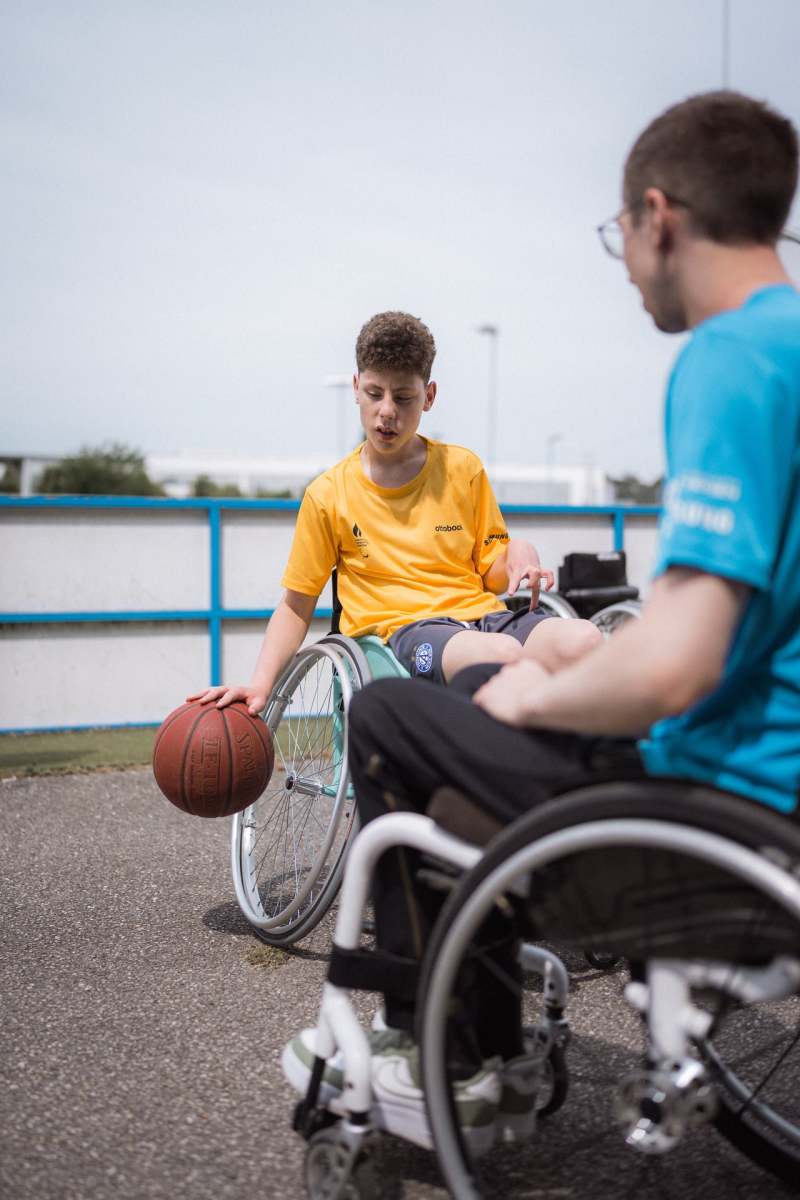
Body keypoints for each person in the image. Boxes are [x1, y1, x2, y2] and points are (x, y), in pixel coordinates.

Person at [282, 90, 800, 1150]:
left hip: (719, 812)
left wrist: (532, 696)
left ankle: (455, 1056)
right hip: (777, 795)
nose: (626, 265)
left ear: (657, 217)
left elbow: (676, 664)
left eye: (619, 234)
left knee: (390, 716)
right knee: (500, 688)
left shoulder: (732, 359)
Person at [190, 310, 600, 711]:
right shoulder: (328, 494)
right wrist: (261, 685)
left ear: (429, 396)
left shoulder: (463, 468)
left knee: (586, 641)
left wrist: (520, 554)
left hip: (483, 618)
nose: (387, 411)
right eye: (374, 394)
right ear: (356, 387)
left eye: (403, 398)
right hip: (406, 633)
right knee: (501, 656)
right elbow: (296, 606)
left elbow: (492, 577)